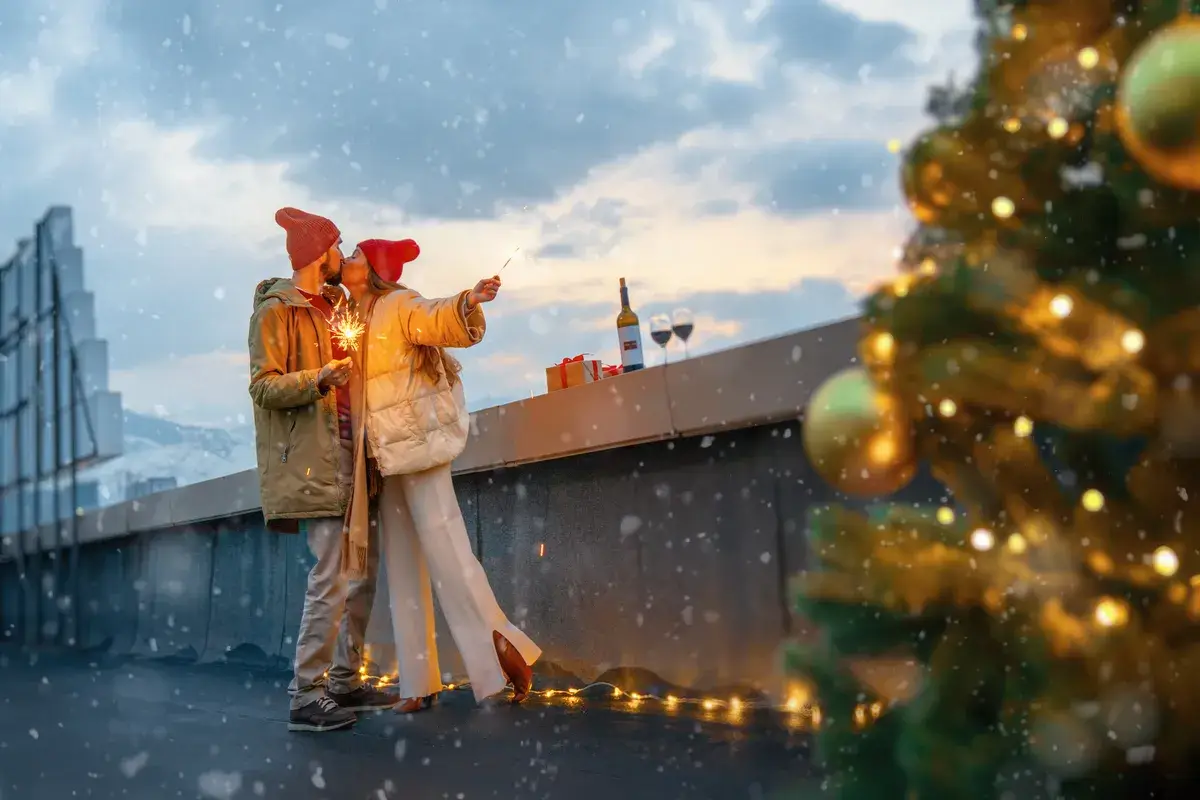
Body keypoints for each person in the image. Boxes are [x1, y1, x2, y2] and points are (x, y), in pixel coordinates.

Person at [338, 237, 541, 714]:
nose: (346, 260)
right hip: (384, 455)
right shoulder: (356, 317)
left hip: (418, 449)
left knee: (449, 551)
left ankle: (501, 644)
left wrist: (468, 301)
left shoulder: (397, 303)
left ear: (372, 270)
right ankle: (418, 680)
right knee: (404, 565)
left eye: (354, 256)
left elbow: (436, 317)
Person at [248, 207, 398, 732]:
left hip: (352, 451)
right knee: (332, 572)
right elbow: (263, 386)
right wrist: (320, 378)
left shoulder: (337, 305)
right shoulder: (276, 311)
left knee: (362, 569)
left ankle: (342, 679)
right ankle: (305, 695)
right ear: (320, 252)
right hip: (315, 458)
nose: (342, 253)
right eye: (337, 245)